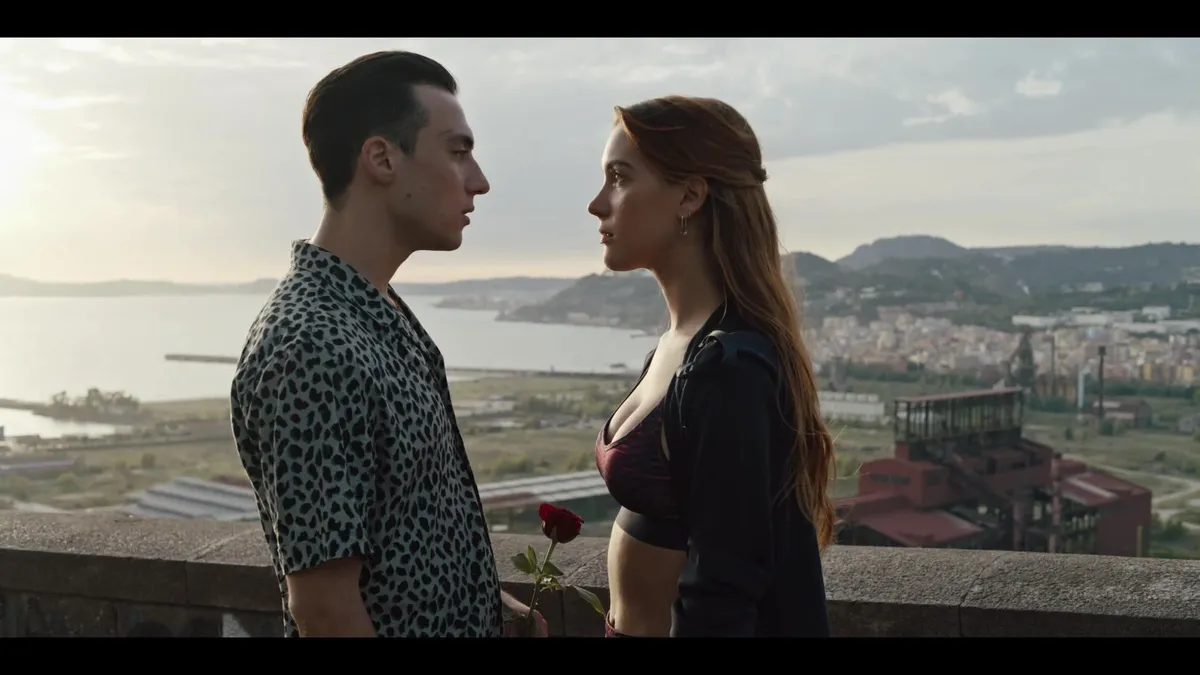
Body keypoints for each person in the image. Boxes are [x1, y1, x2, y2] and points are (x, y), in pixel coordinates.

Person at [228, 51, 545, 638]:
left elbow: (399, 528)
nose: (479, 180)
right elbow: (325, 610)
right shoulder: (312, 346)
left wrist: (484, 599)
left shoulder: (373, 309)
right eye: (458, 151)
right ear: (381, 158)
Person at [588, 95, 835, 638]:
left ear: (690, 195)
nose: (597, 204)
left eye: (619, 178)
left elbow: (726, 584)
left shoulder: (729, 367)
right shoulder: (679, 347)